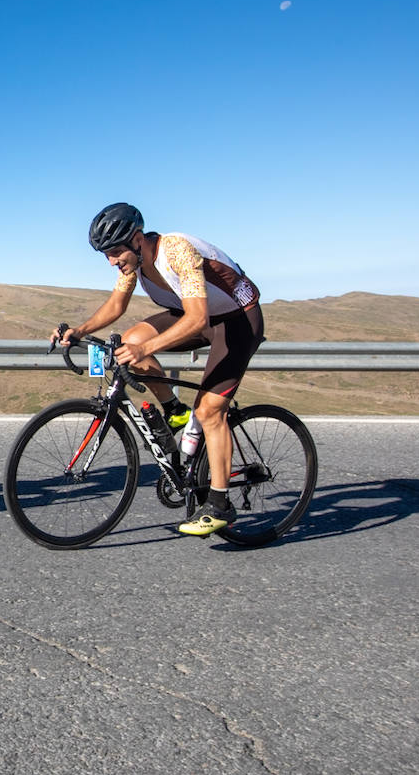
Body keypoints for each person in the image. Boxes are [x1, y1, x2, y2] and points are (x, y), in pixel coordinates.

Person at [52, 202, 264, 536]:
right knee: (130, 342)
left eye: (116, 252)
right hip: (195, 314)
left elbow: (198, 320)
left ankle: (221, 504)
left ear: (137, 239)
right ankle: (174, 409)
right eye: (106, 254)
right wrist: (79, 330)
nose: (112, 261)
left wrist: (146, 348)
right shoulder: (132, 262)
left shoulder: (177, 251)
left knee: (210, 411)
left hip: (237, 320)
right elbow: (117, 305)